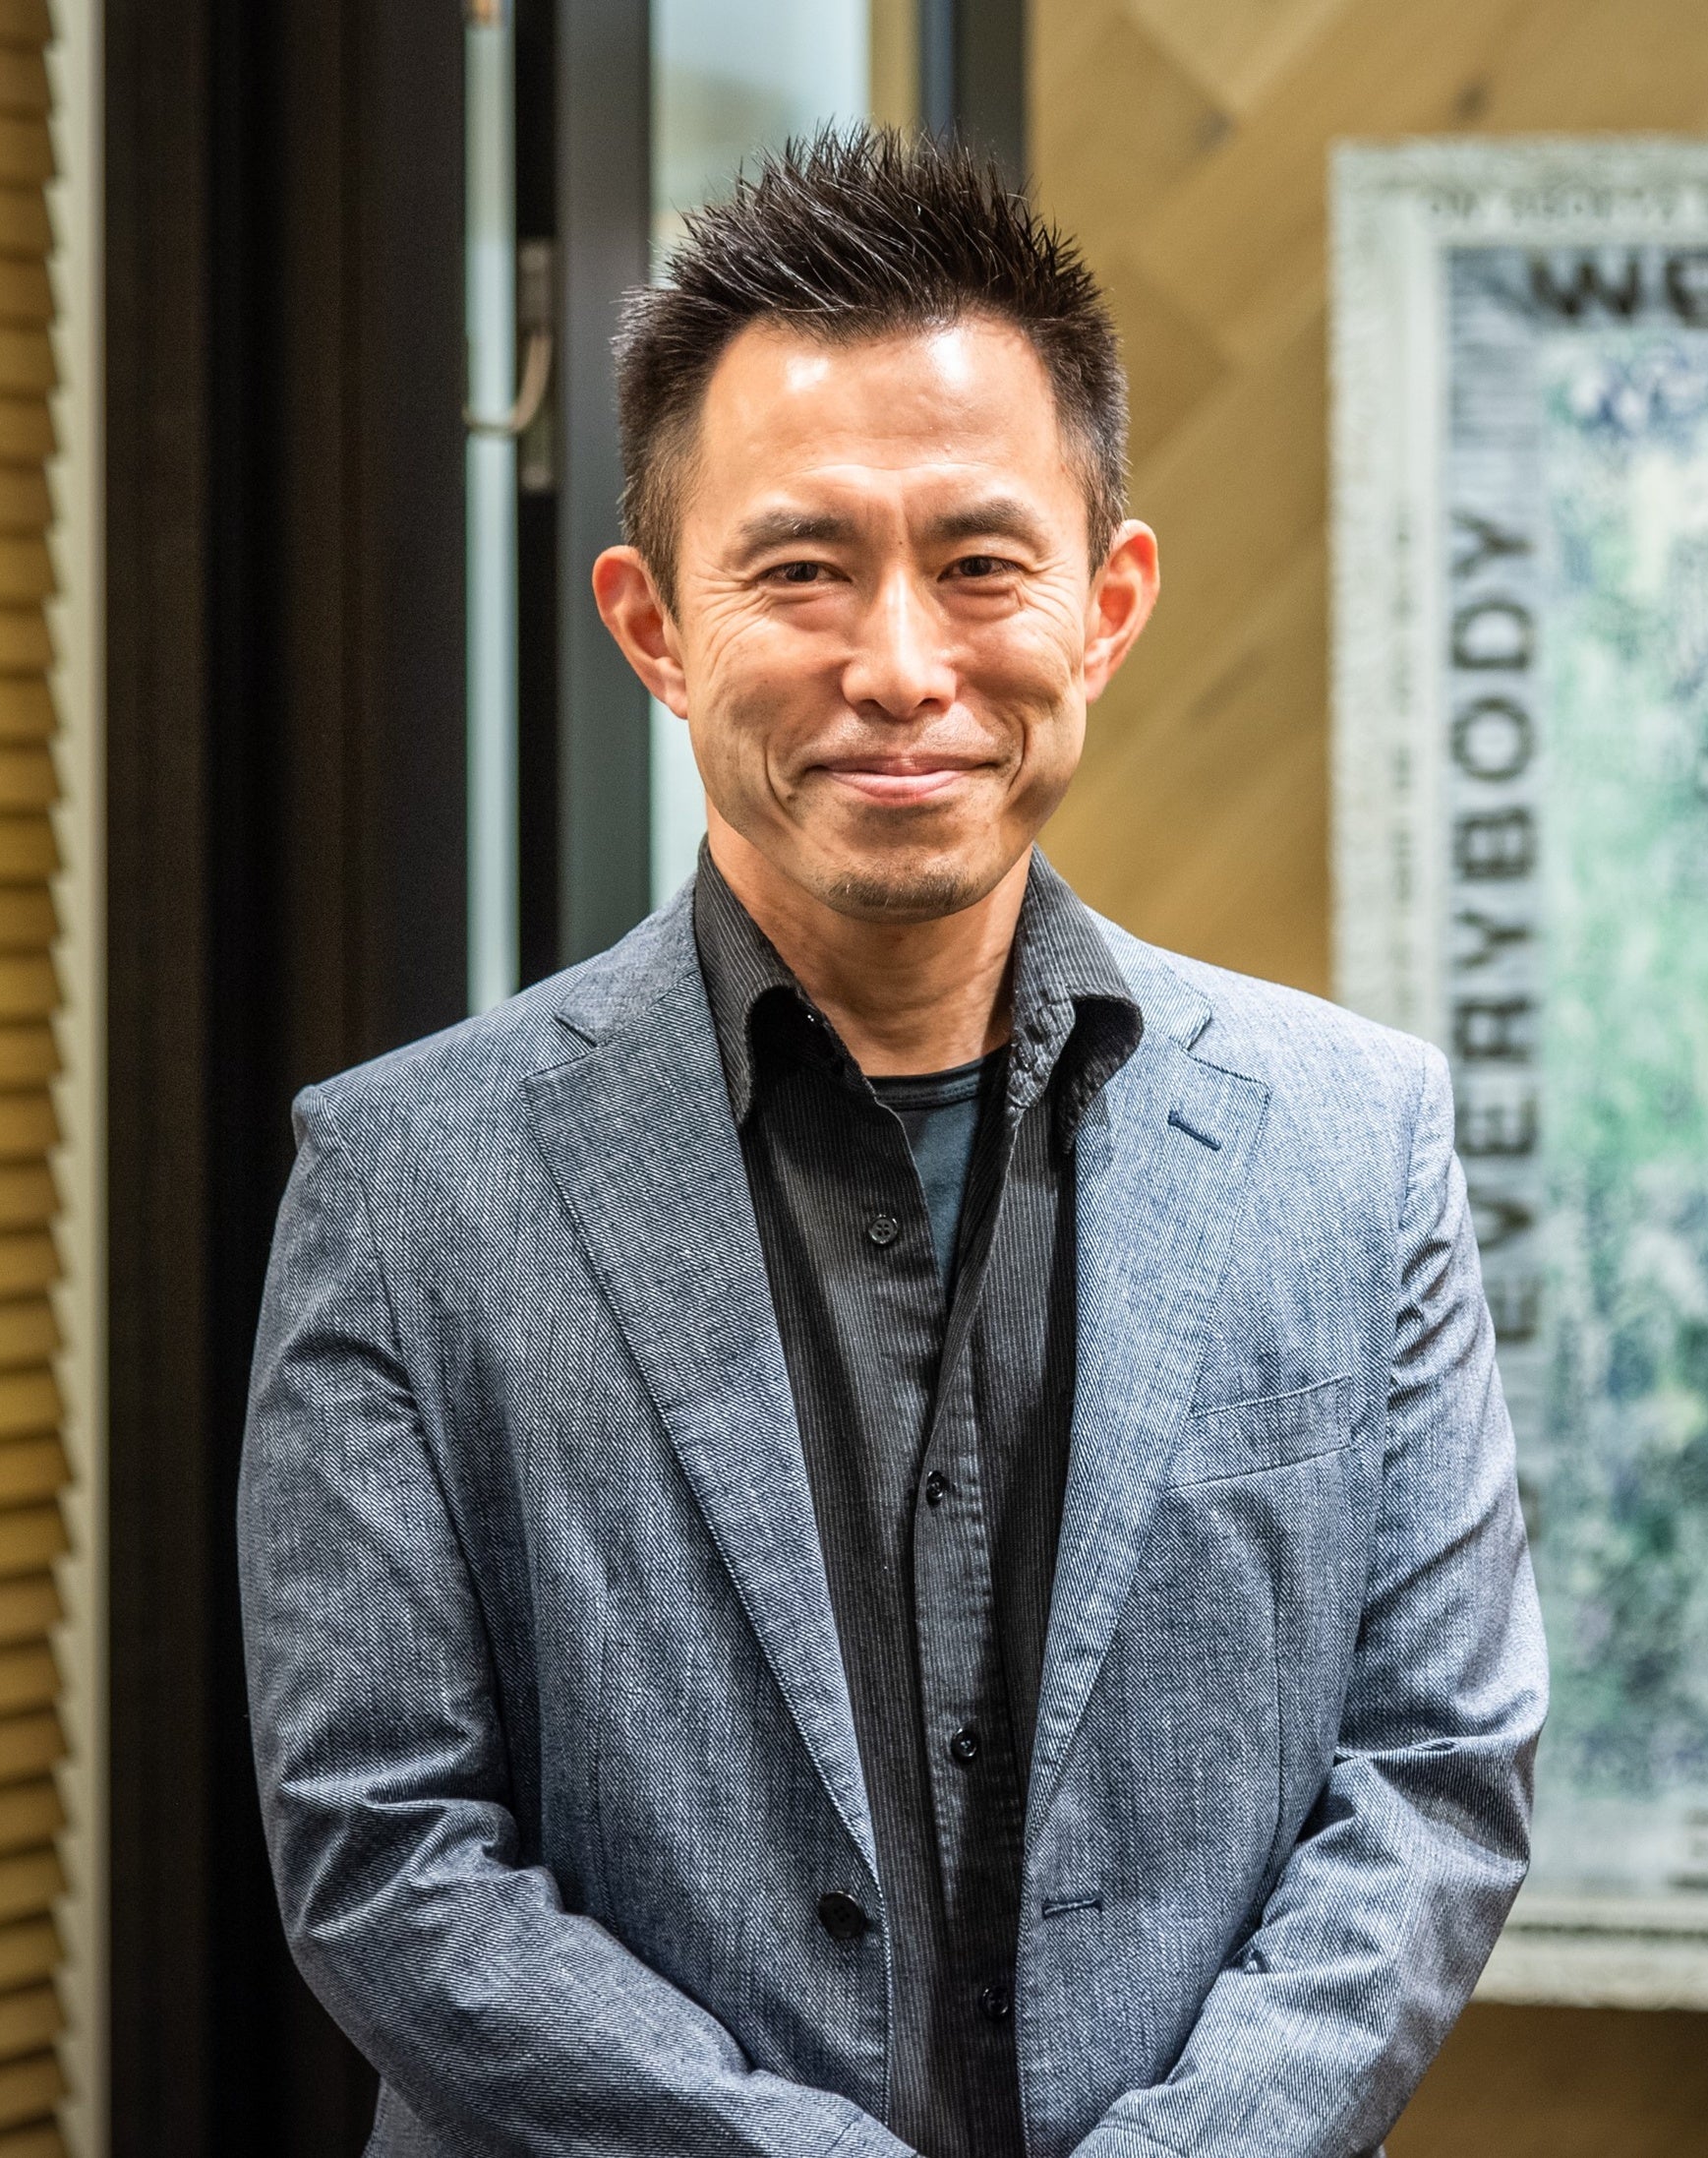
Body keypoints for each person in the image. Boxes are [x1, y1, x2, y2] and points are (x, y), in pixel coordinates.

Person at [236, 128, 1546, 2158]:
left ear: (1107, 604)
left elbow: (1434, 1767)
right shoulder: (405, 1186)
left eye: (982, 562)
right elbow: (385, 1853)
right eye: (802, 569)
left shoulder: (1354, 1147)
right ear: (653, 624)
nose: (904, 667)